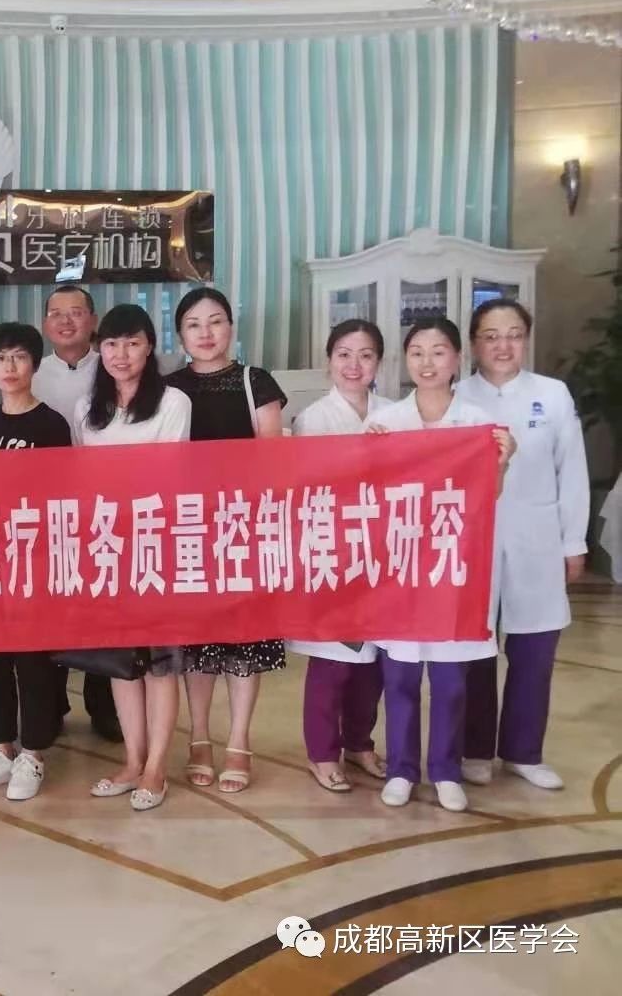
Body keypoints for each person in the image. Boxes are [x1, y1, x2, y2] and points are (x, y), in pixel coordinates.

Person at [367, 317, 515, 812]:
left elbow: (490, 497)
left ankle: (446, 770)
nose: (427, 362)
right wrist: (369, 454)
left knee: (451, 681)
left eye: (438, 352)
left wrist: (501, 462)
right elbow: (365, 495)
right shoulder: (386, 421)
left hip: (455, 567)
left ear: (457, 359)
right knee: (400, 677)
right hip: (402, 566)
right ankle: (402, 770)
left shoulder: (478, 422)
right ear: (405, 360)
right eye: (417, 352)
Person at [456, 299, 588, 791]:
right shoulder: (457, 396)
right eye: (491, 336)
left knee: (535, 649)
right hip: (474, 544)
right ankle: (474, 749)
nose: (503, 346)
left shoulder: (552, 395)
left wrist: (573, 542)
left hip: (538, 539)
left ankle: (523, 752)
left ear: (526, 340)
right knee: (474, 650)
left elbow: (571, 471)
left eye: (513, 335)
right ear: (474, 344)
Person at [165, 287, 288, 794]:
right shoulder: (168, 389)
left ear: (231, 327)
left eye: (215, 321)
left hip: (243, 528)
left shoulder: (255, 382)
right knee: (197, 640)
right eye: (194, 324)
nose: (206, 333)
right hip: (188, 530)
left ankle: (239, 740)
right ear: (180, 334)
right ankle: (199, 737)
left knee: (245, 637)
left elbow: (273, 459)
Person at [76, 305, 192, 812]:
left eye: (132, 343)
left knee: (160, 664)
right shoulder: (87, 407)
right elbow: (83, 480)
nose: (121, 355)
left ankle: (156, 767)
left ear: (150, 347)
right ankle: (132, 760)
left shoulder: (173, 402)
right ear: (99, 349)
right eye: (111, 344)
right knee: (121, 662)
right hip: (106, 547)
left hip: (156, 544)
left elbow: (169, 476)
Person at [0, 323, 70, 802]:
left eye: (19, 356)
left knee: (32, 658)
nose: (9, 366)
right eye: (0, 358)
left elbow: (62, 494)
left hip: (33, 557)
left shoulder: (51, 425)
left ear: (35, 364)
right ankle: (1, 749)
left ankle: (34, 754)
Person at [287, 320, 391, 792]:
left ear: (378, 363)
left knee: (374, 663)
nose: (354, 365)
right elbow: (308, 490)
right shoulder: (313, 419)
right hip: (333, 554)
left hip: (385, 553)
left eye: (365, 355)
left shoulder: (396, 415)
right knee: (333, 663)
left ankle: (360, 743)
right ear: (329, 360)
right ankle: (323, 752)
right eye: (344, 354)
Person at [31, 285, 122, 744]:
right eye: (56, 314)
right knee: (51, 612)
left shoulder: (113, 366)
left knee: (103, 610)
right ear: (45, 323)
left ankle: (104, 707)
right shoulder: (32, 371)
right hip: (46, 513)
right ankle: (50, 706)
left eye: (76, 312)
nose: (66, 322)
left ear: (93, 320)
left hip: (103, 509)